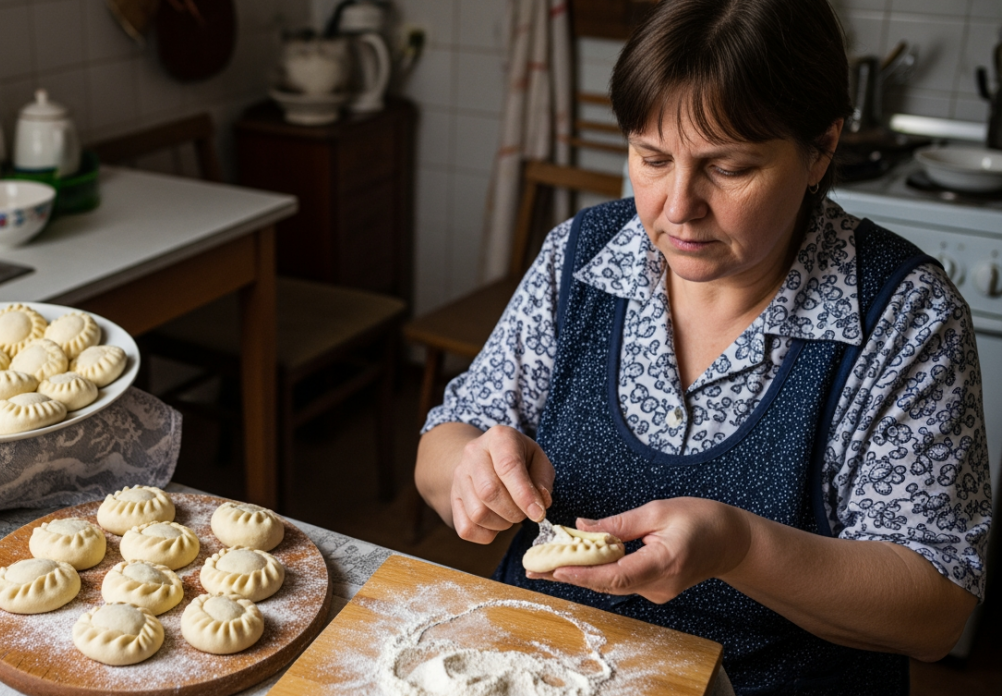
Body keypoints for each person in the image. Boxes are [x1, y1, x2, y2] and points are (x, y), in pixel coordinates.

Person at [413, 0, 992, 693]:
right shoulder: (584, 257)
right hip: (540, 667)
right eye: (651, 157)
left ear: (822, 148)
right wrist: (471, 473)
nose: (677, 205)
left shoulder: (905, 318)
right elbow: (443, 445)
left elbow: (931, 614)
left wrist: (739, 547)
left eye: (729, 168)